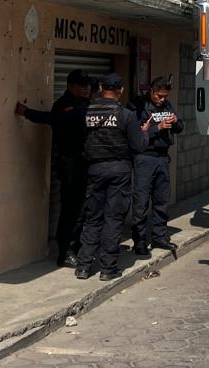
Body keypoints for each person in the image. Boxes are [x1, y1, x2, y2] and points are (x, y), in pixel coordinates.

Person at [75, 73, 173, 281]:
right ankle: (107, 268)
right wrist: (144, 132)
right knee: (113, 218)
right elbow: (139, 145)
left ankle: (83, 266)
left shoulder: (87, 110)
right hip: (119, 170)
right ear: (120, 91)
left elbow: (79, 139)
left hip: (94, 169)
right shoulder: (126, 115)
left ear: (101, 88)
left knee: (92, 217)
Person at [15, 71, 90, 267]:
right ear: (71, 86)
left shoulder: (86, 103)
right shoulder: (64, 105)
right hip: (69, 165)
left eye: (88, 85)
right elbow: (50, 118)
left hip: (83, 165)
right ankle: (65, 252)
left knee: (82, 210)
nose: (86, 89)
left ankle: (76, 247)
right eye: (82, 85)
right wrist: (27, 112)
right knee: (70, 210)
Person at [131, 77, 184, 257]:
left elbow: (180, 128)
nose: (162, 99)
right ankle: (139, 242)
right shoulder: (140, 106)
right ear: (151, 91)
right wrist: (157, 127)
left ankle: (159, 237)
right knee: (141, 203)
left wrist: (175, 122)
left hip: (162, 158)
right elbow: (136, 134)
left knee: (161, 201)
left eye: (165, 96)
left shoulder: (168, 106)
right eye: (159, 96)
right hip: (145, 158)